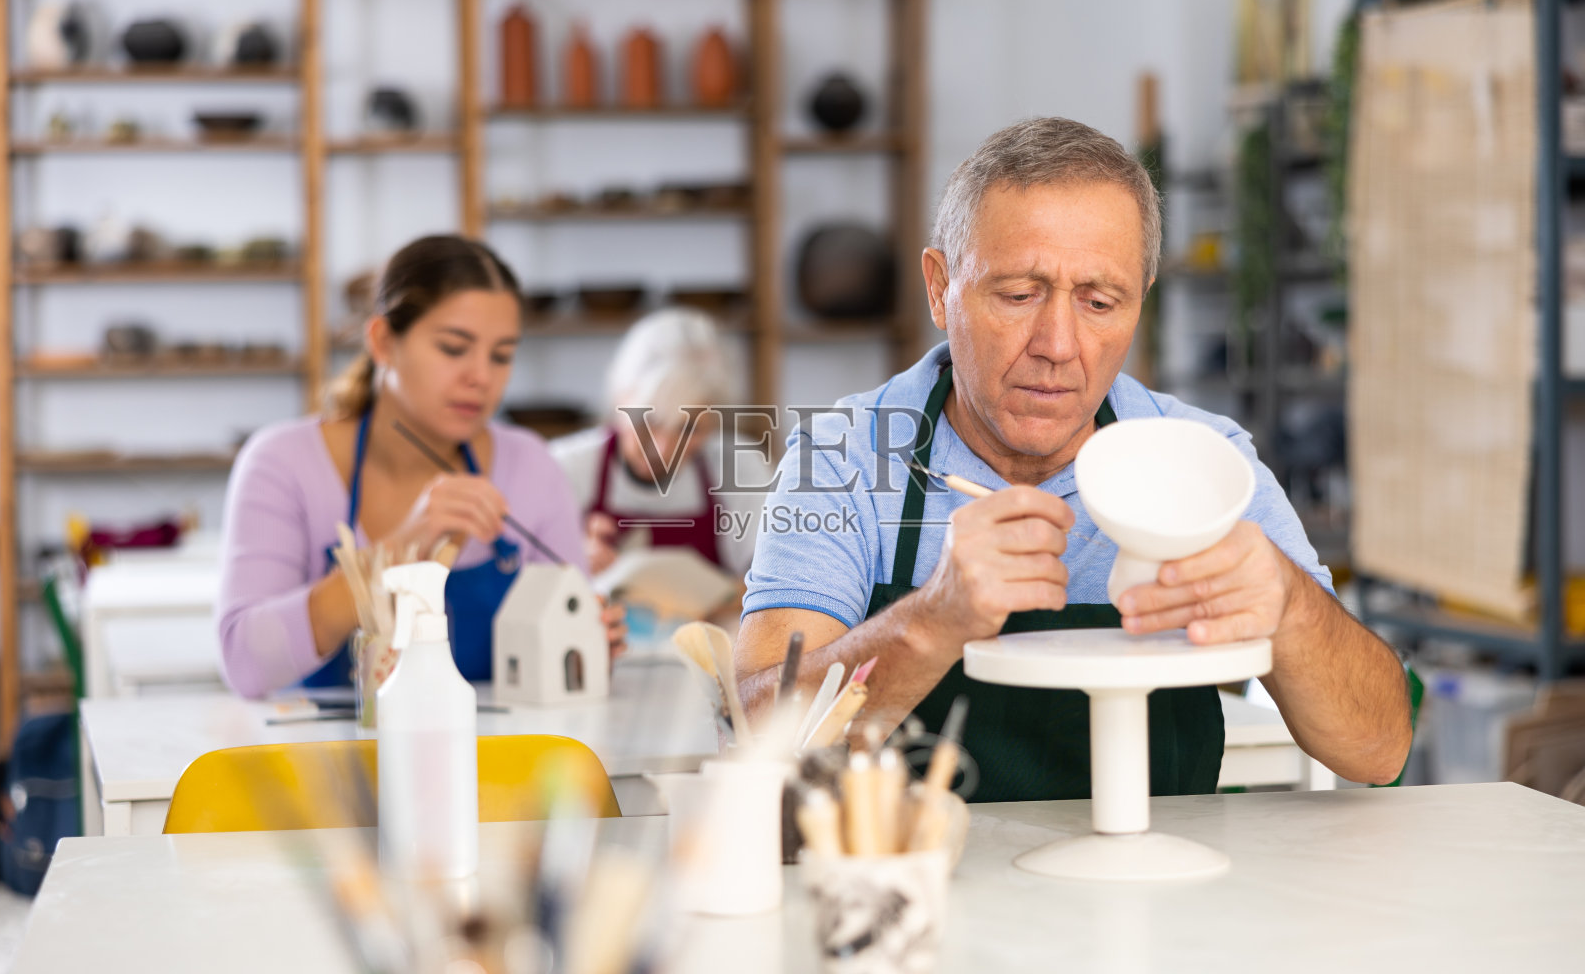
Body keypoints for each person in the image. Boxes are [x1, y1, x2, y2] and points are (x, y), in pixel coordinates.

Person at [734, 117, 1412, 802]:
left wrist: (1292, 606)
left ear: (1141, 299)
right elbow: (760, 733)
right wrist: (931, 620)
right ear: (940, 288)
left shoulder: (1199, 461)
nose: (1058, 344)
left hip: (1158, 890)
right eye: (1019, 295)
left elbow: (1379, 751)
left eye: (1099, 302)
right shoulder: (845, 455)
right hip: (923, 890)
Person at [216, 234, 624, 699]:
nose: (481, 377)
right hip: (322, 762)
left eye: (502, 355)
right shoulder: (282, 463)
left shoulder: (531, 466)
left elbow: (568, 652)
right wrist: (404, 546)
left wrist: (590, 649)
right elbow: (244, 664)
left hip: (499, 762)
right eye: (454, 348)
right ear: (384, 342)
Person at [551, 308, 768, 582]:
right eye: (649, 420)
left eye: (689, 429)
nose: (664, 449)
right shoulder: (565, 467)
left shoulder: (739, 468)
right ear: (620, 400)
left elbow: (771, 584)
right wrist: (566, 560)